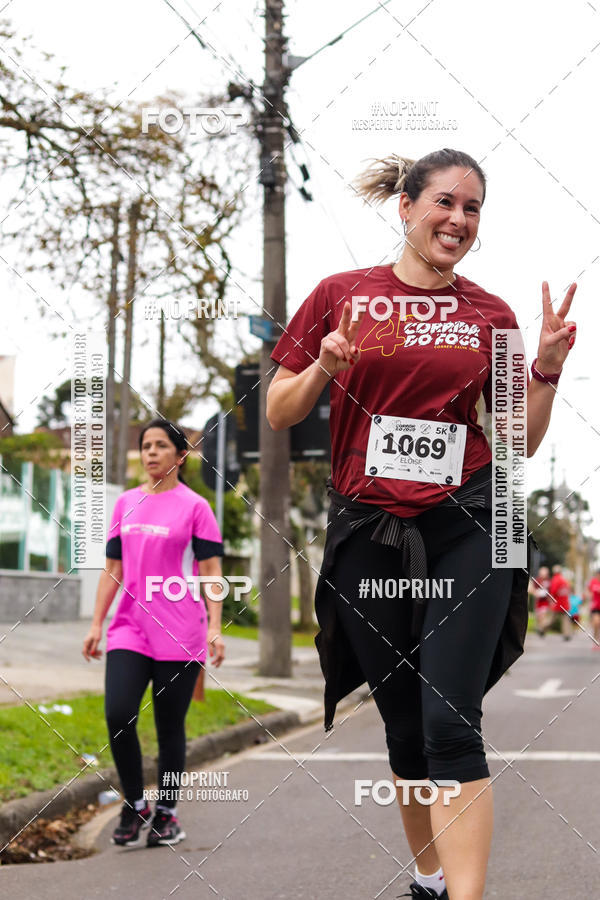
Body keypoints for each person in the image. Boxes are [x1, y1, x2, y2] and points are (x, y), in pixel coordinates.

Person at [266, 149, 577, 899]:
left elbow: (516, 440)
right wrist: (323, 369)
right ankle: (430, 878)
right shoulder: (340, 295)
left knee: (448, 722)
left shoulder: (490, 314)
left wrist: (543, 369)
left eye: (472, 209)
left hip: (469, 518)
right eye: (445, 202)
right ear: (405, 206)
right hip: (371, 529)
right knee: (404, 727)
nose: (459, 220)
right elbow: (280, 410)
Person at [82, 419, 225, 848]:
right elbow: (114, 569)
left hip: (181, 630)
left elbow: (211, 570)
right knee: (117, 712)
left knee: (169, 726)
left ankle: (166, 812)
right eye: (146, 446)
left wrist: (215, 627)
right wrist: (96, 623)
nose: (151, 453)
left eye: (161, 446)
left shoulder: (196, 507)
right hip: (129, 626)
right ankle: (135, 803)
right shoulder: (125, 502)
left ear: (180, 456)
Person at [548, 564, 572, 641]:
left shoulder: (555, 579)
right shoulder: (564, 580)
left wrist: (551, 601)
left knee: (552, 619)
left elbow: (553, 591)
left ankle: (542, 629)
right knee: (565, 620)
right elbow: (568, 590)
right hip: (564, 603)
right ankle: (566, 634)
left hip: (557, 603)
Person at [530, 565, 551, 636]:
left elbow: (551, 590)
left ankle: (542, 629)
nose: (543, 574)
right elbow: (531, 589)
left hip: (546, 602)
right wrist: (536, 593)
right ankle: (540, 629)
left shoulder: (549, 580)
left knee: (543, 616)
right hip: (538, 601)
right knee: (539, 617)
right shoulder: (537, 580)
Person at [584, 568, 600, 649]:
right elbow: (587, 590)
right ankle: (596, 640)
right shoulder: (593, 582)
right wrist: (589, 595)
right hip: (595, 606)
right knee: (596, 623)